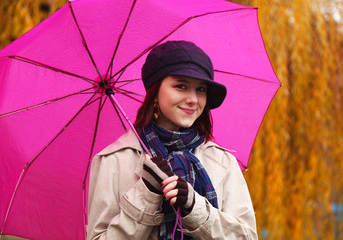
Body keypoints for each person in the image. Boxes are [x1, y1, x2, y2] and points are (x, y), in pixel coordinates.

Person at [87, 41, 257, 239]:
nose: (193, 99)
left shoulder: (221, 161)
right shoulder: (115, 160)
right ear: (155, 93)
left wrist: (194, 207)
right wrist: (146, 194)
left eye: (201, 89)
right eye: (181, 86)